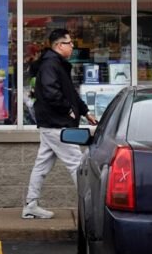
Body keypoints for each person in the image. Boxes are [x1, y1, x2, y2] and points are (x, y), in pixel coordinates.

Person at [22, 28, 97, 220]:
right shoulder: (51, 65)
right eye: (69, 43)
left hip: (52, 123)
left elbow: (70, 93)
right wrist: (68, 110)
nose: (72, 46)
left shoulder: (57, 64)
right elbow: (51, 92)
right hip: (57, 124)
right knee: (77, 165)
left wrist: (85, 112)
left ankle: (31, 205)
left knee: (42, 166)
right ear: (58, 45)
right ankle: (91, 209)